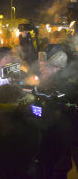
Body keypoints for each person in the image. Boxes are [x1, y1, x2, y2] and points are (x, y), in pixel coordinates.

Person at [36, 45, 73, 179]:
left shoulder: (65, 88)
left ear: (57, 67)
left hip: (57, 150)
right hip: (47, 148)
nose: (40, 69)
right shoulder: (49, 82)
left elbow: (51, 118)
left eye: (44, 66)